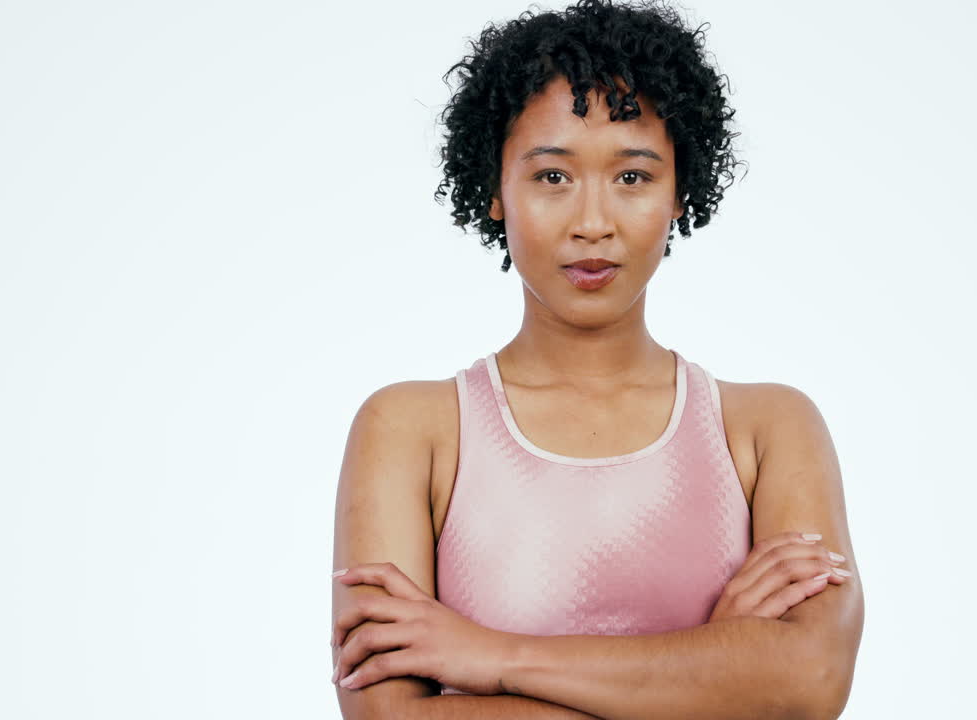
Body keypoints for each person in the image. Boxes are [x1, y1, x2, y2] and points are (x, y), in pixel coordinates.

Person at [331, 1, 864, 717]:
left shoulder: (769, 427)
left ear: (679, 193)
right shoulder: (411, 428)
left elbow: (810, 680)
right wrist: (713, 670)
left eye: (633, 178)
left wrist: (491, 656)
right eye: (552, 177)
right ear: (495, 189)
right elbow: (388, 716)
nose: (592, 223)